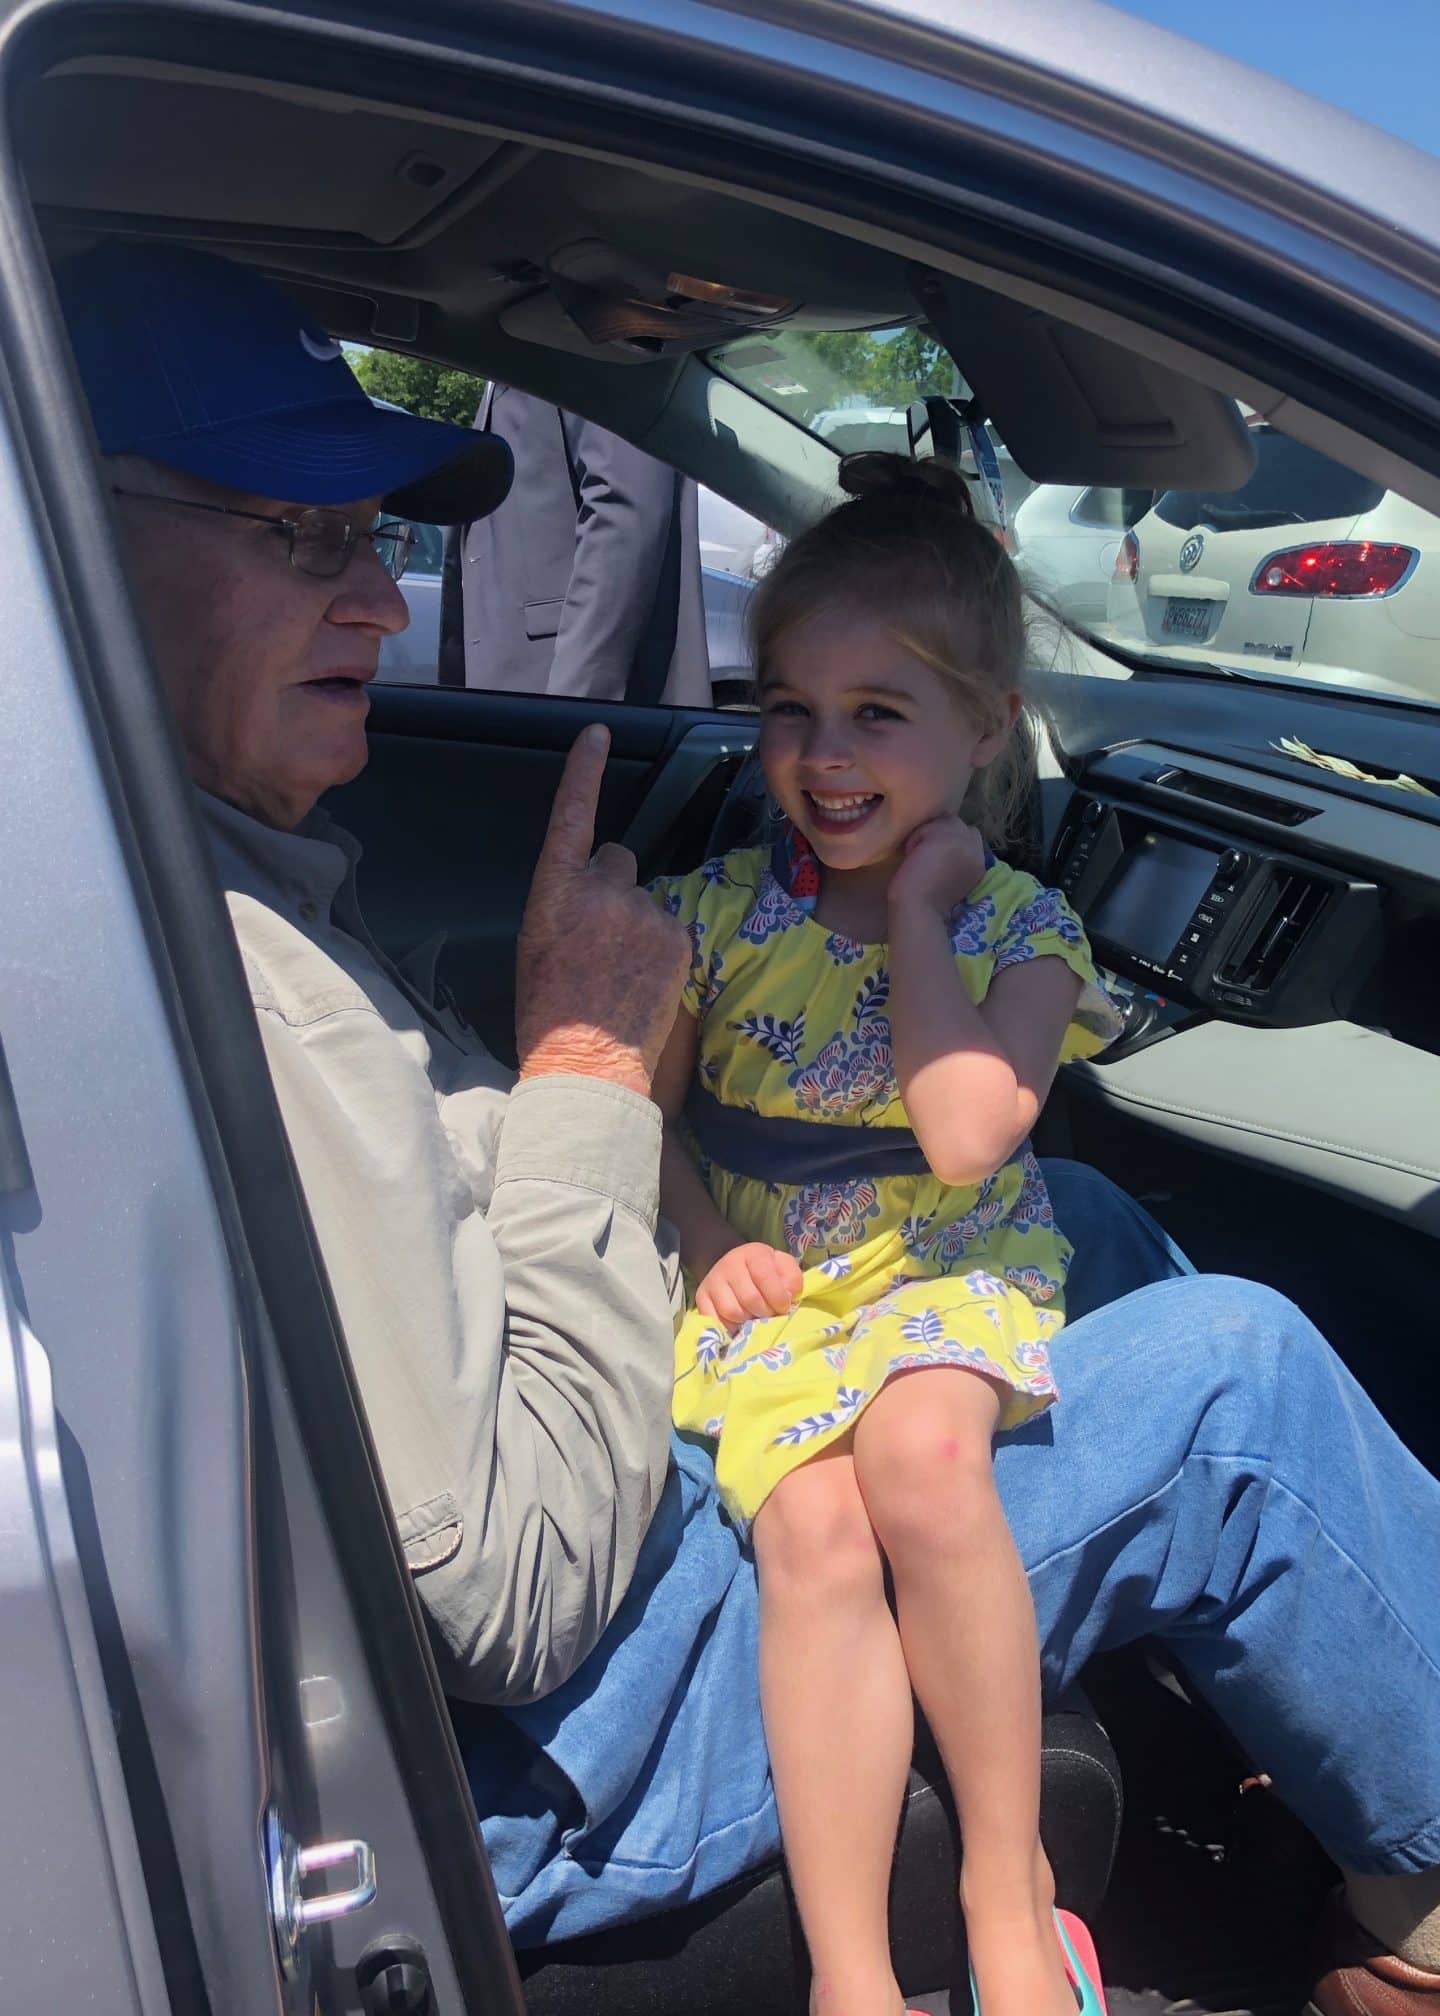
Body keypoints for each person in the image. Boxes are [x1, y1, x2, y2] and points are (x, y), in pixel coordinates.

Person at [56, 239, 1440, 2016]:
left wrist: (588, 1111)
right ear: (75, 547)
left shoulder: (172, 865)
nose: (385, 605)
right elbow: (510, 1594)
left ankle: (1305, 1667)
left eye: (370, 536)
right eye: (300, 534)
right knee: (1239, 1381)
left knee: (1078, 1213)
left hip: (595, 1430)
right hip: (566, 1732)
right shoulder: (212, 970)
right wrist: (581, 1072)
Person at [650, 453, 1118, 2016]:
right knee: (815, 1528)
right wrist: (706, 1234)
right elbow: (644, 1117)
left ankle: (1005, 1872)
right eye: (791, 707)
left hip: (943, 1262)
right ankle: (850, 1978)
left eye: (878, 714)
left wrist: (919, 914)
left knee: (922, 1459)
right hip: (775, 1284)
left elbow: (969, 1130)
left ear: (987, 732)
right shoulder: (711, 915)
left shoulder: (1026, 931)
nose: (824, 756)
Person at [439, 382, 711, 705]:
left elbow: (623, 504)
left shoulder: (580, 336)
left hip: (565, 703)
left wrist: (571, 713)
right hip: (516, 698)